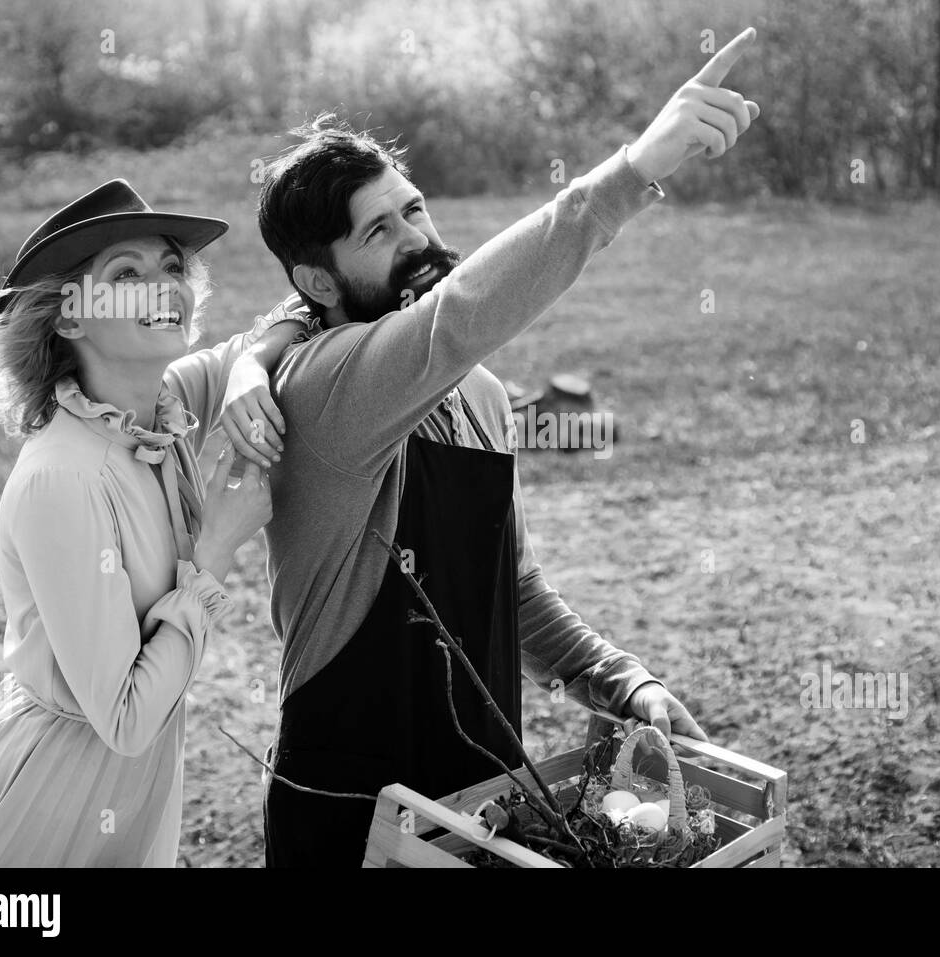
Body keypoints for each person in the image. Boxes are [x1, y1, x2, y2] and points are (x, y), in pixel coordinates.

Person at [244, 28, 761, 865]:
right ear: (317, 283)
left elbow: (510, 592)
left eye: (414, 208)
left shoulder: (480, 395)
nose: (416, 237)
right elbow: (459, 316)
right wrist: (633, 170)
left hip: (485, 808)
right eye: (377, 232)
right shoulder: (322, 386)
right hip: (351, 818)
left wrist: (624, 679)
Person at [0, 179, 307, 866]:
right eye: (127, 273)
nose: (165, 287)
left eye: (173, 267)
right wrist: (214, 548)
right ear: (70, 317)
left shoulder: (162, 407)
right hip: (49, 802)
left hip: (128, 790)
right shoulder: (63, 477)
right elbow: (125, 717)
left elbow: (290, 314)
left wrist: (247, 370)